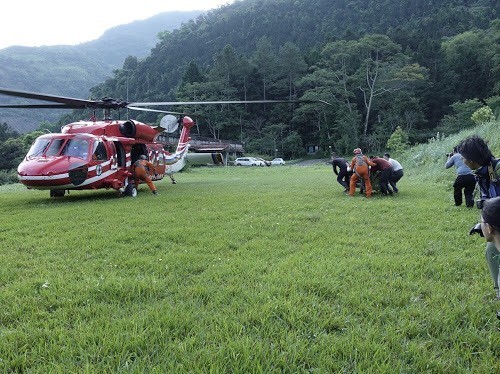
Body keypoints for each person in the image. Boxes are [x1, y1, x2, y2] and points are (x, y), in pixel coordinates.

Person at [458, 135, 500, 299]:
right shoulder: (482, 174)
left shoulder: (496, 169)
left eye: (464, 157)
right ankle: (498, 292)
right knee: (492, 252)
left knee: (493, 251)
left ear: (472, 158)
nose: (462, 160)